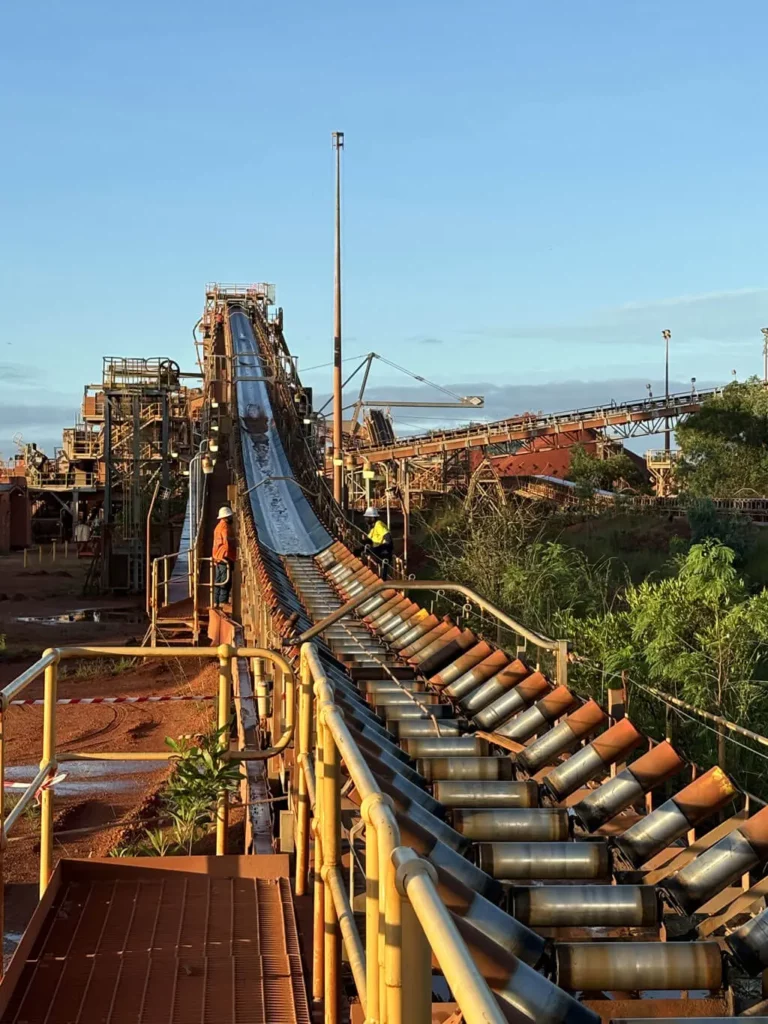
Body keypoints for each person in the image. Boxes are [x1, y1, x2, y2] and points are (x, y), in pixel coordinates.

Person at [212, 506, 237, 607]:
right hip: (225, 556)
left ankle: (215, 601)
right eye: (230, 516)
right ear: (227, 517)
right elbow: (227, 542)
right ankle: (223, 601)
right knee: (225, 580)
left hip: (218, 556)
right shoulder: (225, 527)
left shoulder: (218, 527)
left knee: (218, 580)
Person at [361, 507, 393, 579]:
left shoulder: (378, 525)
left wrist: (383, 549)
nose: (365, 519)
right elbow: (370, 540)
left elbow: (387, 537)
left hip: (382, 552)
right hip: (378, 552)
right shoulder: (373, 528)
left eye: (367, 517)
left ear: (372, 518)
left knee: (382, 574)